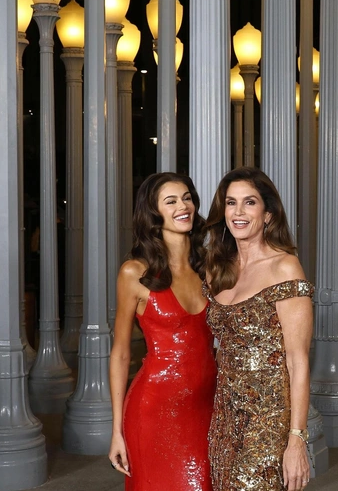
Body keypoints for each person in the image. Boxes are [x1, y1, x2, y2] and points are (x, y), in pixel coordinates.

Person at [203, 167, 313, 491]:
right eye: (231, 203)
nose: (238, 212)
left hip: (268, 418)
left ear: (268, 214)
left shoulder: (284, 267)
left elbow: (298, 361)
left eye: (249, 202)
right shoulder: (217, 269)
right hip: (224, 415)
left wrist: (297, 439)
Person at [109, 172, 216, 491]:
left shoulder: (209, 268)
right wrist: (116, 431)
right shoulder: (135, 272)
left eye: (187, 198)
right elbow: (121, 354)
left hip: (207, 405)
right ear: (153, 213)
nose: (183, 206)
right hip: (154, 408)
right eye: (171, 201)